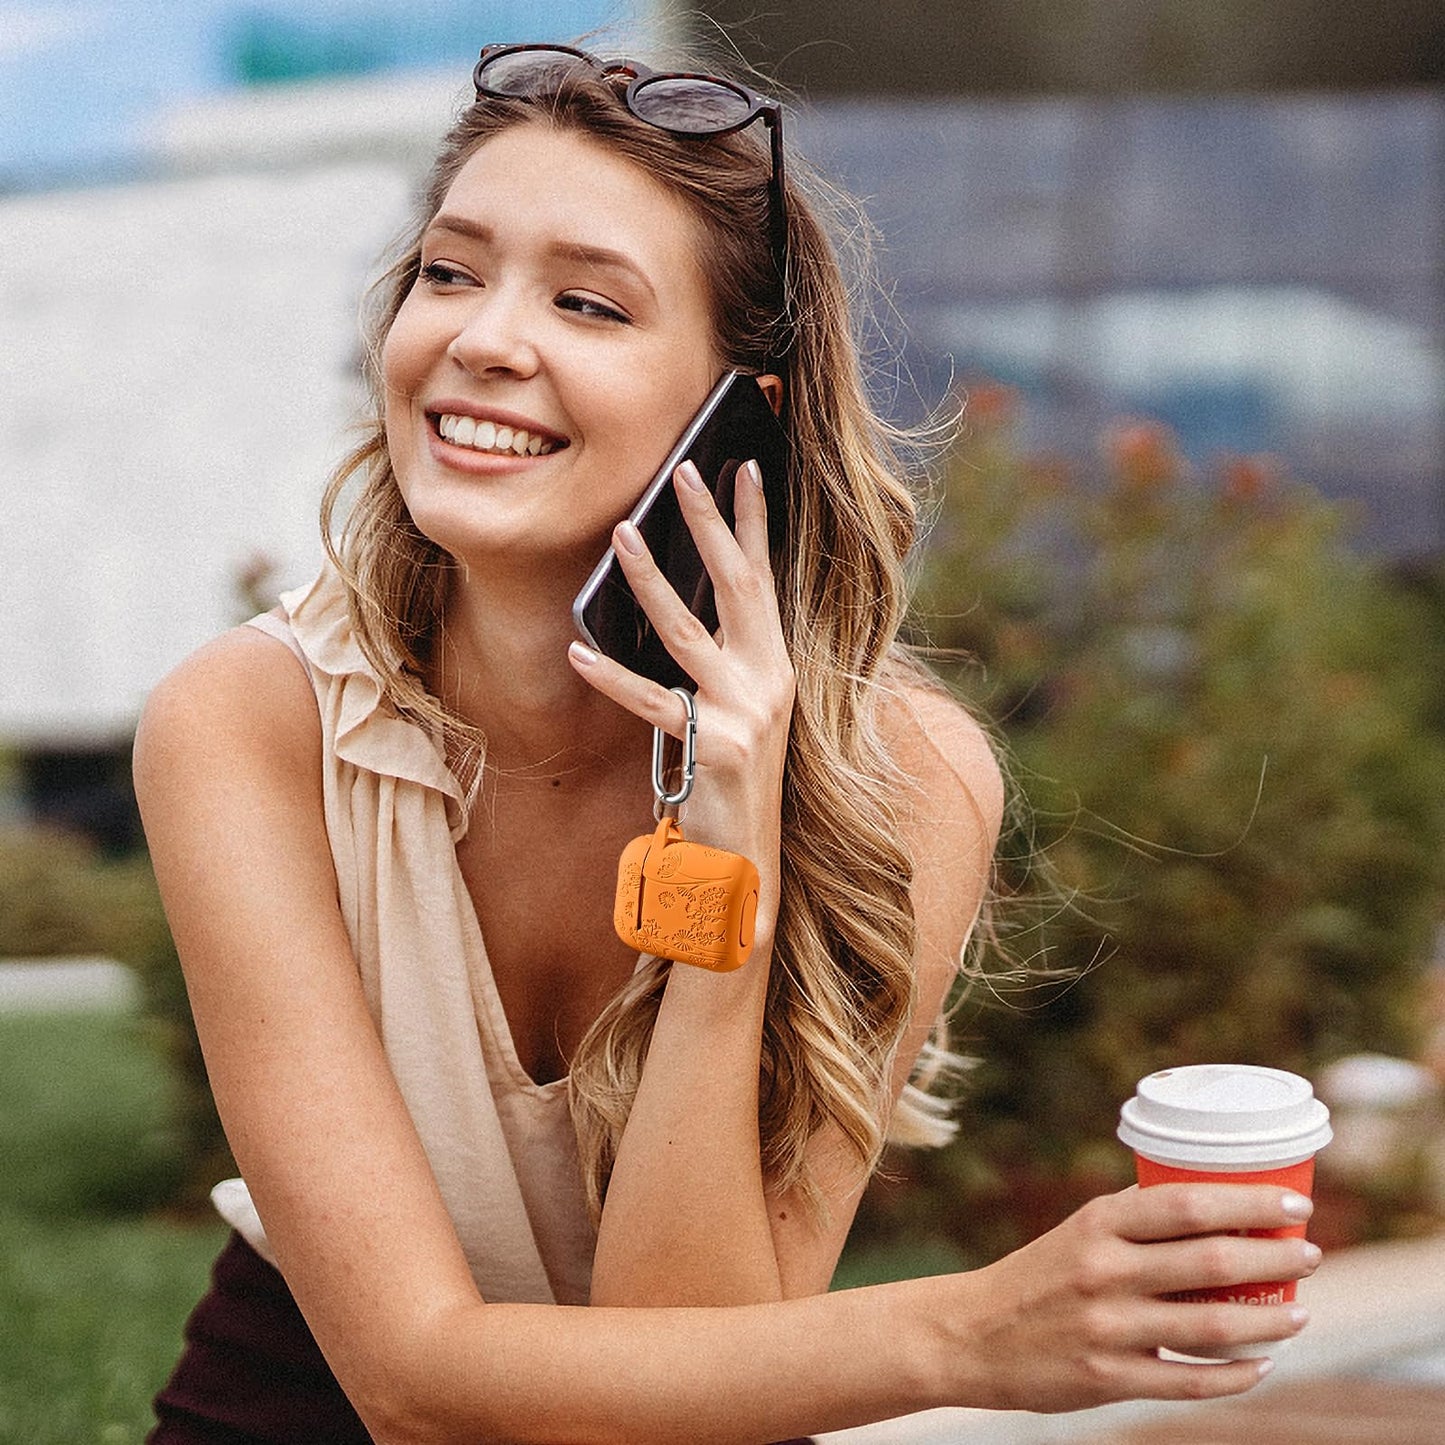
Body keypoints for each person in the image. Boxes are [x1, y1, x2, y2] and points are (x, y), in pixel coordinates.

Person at [134, 40, 1322, 1445]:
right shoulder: (249, 721)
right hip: (303, 1402)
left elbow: (685, 1381)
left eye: (587, 302)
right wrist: (961, 1334)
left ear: (734, 422)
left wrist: (726, 850)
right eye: (450, 273)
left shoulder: (900, 780)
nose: (482, 338)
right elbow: (407, 1383)